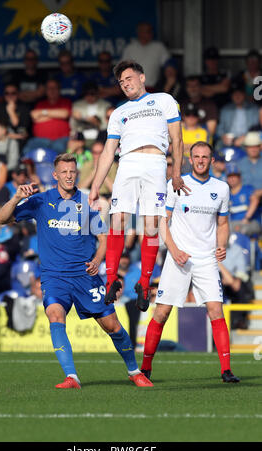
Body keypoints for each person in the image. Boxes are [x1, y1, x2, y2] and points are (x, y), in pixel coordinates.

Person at [0, 152, 153, 389]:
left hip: (85, 277)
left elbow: (103, 239)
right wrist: (17, 197)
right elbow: (0, 218)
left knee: (112, 326)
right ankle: (72, 377)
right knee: (55, 315)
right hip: (54, 277)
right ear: (55, 175)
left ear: (77, 173)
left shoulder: (87, 204)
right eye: (64, 172)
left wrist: (98, 261)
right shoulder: (41, 201)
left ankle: (134, 371)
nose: (69, 176)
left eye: (72, 171)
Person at [89, 60, 189, 312]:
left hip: (156, 162)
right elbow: (108, 152)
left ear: (142, 77)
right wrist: (94, 186)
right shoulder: (119, 113)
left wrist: (176, 172)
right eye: (121, 82)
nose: (125, 84)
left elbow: (177, 138)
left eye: (129, 78)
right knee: (118, 220)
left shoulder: (164, 100)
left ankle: (144, 284)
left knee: (152, 225)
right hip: (128, 162)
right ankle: (111, 279)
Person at [141, 141, 240, 383]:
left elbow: (223, 223)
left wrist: (222, 245)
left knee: (216, 310)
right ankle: (144, 368)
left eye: (205, 157)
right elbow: (163, 221)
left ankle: (226, 370)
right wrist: (173, 250)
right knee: (162, 312)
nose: (200, 160)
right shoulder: (176, 184)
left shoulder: (222, 188)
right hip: (179, 258)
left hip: (206, 259)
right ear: (190, 159)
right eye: (196, 156)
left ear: (212, 161)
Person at [23, 79, 72, 156]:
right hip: (40, 140)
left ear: (59, 90)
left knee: (58, 151)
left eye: (54, 88)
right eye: (49, 88)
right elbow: (35, 117)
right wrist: (56, 115)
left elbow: (64, 114)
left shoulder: (65, 102)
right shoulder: (40, 103)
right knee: (27, 151)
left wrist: (43, 113)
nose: (52, 90)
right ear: (46, 91)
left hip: (61, 139)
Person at [122, 22, 170, 92]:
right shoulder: (130, 48)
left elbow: (168, 64)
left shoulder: (159, 47)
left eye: (149, 31)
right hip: (134, 89)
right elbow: (123, 69)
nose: (148, 34)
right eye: (144, 31)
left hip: (153, 88)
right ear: (139, 33)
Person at [216, 79, 259, 148]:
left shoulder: (253, 109)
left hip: (247, 139)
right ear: (231, 96)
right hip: (229, 140)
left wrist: (245, 137)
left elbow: (256, 128)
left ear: (244, 95)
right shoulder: (226, 109)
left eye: (240, 94)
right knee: (218, 146)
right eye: (235, 94)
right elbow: (220, 128)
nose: (237, 96)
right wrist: (223, 136)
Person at [70, 81, 112, 148]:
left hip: (101, 137)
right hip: (81, 137)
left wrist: (98, 123)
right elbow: (73, 125)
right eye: (87, 94)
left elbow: (109, 125)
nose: (89, 96)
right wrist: (85, 119)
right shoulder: (77, 105)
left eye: (92, 93)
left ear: (97, 93)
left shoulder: (106, 105)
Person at [0, 82, 31, 152]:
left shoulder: (24, 107)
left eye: (13, 93)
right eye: (7, 93)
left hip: (22, 142)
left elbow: (23, 132)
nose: (10, 95)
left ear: (18, 94)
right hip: (3, 141)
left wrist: (11, 112)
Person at [226, 163, 261, 237]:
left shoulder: (247, 189)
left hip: (251, 222)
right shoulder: (227, 194)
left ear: (240, 177)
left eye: (234, 176)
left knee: (243, 230)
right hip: (233, 224)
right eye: (229, 176)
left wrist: (246, 218)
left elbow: (255, 200)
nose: (232, 179)